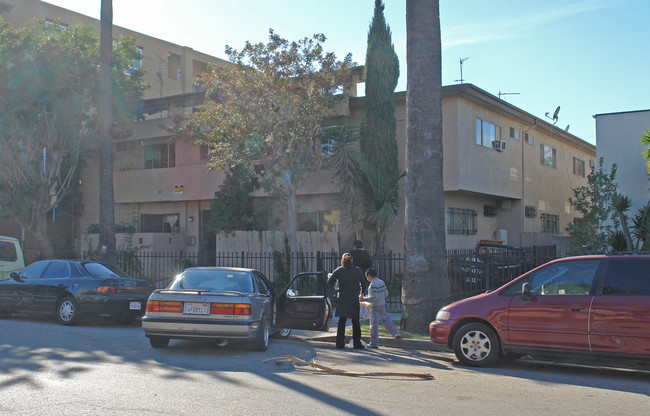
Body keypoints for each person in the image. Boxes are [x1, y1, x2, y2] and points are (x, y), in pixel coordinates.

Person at [328, 253, 366, 349]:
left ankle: (340, 343)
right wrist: (361, 292)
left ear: (342, 260)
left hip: (343, 298)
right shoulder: (357, 270)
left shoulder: (339, 270)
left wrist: (337, 285)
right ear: (352, 260)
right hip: (353, 299)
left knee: (342, 321)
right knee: (355, 322)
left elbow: (330, 282)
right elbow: (364, 283)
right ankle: (357, 343)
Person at [361, 268, 401, 349]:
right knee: (386, 320)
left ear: (369, 276)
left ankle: (374, 343)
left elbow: (373, 298)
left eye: (367, 277)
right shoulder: (381, 282)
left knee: (373, 325)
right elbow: (386, 294)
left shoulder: (372, 285)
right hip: (382, 305)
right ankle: (396, 333)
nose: (367, 279)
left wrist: (364, 299)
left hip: (374, 306)